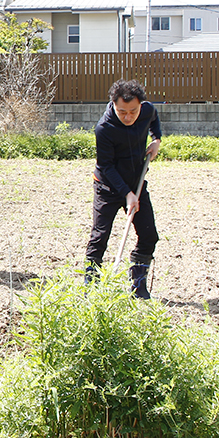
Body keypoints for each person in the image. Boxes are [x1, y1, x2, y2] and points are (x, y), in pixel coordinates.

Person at [85, 78, 162, 299]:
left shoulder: (146, 110)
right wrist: (126, 194)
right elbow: (106, 166)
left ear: (140, 105)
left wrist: (157, 139)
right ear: (113, 105)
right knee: (100, 237)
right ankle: (90, 288)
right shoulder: (105, 128)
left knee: (149, 235)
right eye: (122, 112)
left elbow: (154, 118)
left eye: (133, 111)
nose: (128, 117)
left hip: (136, 184)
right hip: (107, 187)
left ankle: (138, 286)